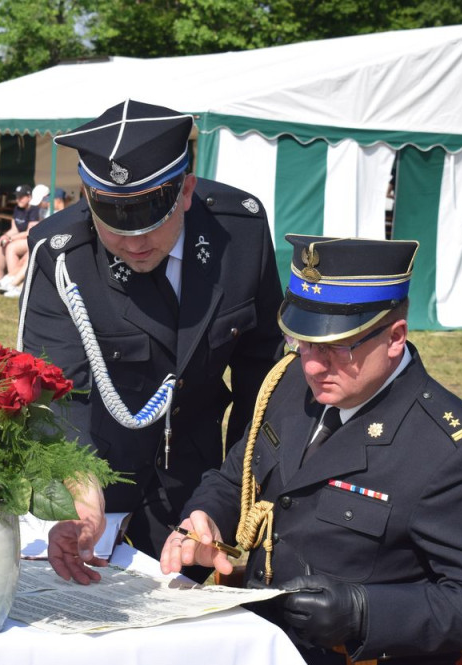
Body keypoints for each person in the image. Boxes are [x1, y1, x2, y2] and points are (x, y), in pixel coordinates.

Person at [160, 235, 462, 665]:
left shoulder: (448, 450)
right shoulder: (294, 383)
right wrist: (207, 515)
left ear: (395, 337)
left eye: (335, 347)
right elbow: (239, 473)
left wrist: (362, 612)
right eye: (304, 341)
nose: (312, 364)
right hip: (260, 645)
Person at [18, 99, 284, 581]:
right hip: (98, 481)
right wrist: (82, 498)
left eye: (150, 222)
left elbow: (262, 376)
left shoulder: (240, 231)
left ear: (185, 191)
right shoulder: (61, 255)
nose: (135, 243)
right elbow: (54, 395)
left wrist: (235, 494)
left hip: (202, 485)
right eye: (115, 226)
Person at [0, 184, 41, 294]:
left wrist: (10, 238)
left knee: (11, 247)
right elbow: (14, 228)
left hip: (31, 239)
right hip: (21, 238)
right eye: (17, 196)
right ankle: (0, 279)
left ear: (29, 197)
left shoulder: (34, 210)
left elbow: (29, 232)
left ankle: (11, 282)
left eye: (21, 197)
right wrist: (5, 236)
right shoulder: (17, 209)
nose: (18, 199)